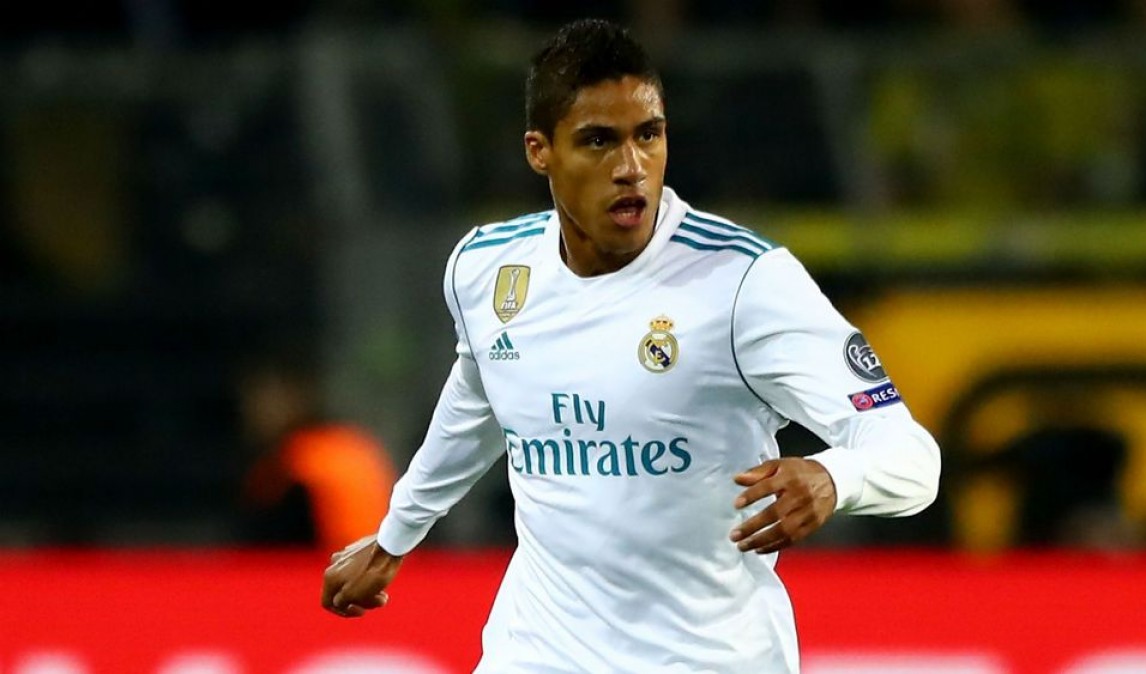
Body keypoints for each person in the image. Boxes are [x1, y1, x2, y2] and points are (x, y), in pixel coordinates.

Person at [321, 18, 940, 673]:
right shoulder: (488, 269)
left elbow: (913, 459)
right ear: (539, 151)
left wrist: (836, 477)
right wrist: (395, 536)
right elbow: (479, 404)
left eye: (649, 135)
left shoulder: (743, 283)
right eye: (599, 141)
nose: (630, 167)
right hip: (540, 651)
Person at [235, 345, 396, 551]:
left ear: (297, 394)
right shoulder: (348, 445)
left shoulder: (311, 461)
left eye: (267, 395)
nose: (256, 409)